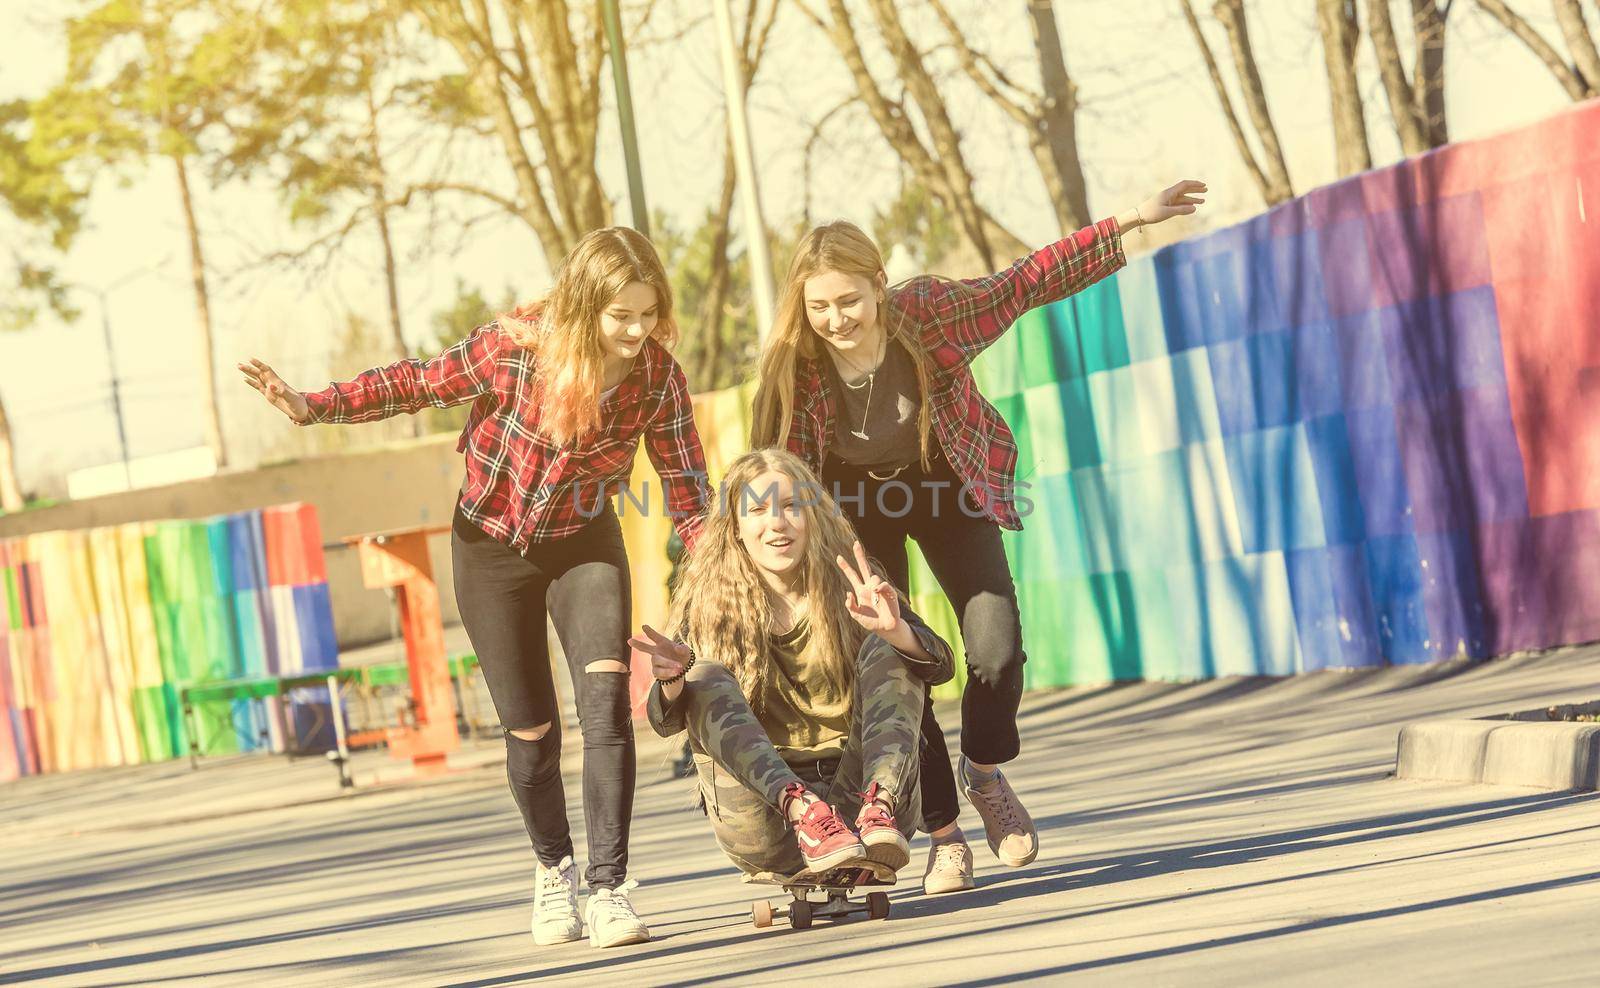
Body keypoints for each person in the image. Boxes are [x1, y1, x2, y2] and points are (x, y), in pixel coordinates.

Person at [239, 227, 710, 949]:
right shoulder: (513, 351)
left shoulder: (658, 379)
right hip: (490, 550)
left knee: (606, 706)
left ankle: (610, 887)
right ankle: (555, 869)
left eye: (648, 314)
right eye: (622, 316)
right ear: (586, 306)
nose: (637, 330)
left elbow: (688, 491)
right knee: (532, 733)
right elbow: (418, 383)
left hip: (584, 543)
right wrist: (315, 406)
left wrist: (726, 571)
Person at [749, 182, 1207, 893]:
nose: (836, 320)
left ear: (878, 286)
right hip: (852, 509)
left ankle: (985, 772)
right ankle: (943, 833)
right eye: (819, 307)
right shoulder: (793, 366)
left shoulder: (927, 312)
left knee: (995, 650)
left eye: (849, 301)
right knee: (899, 659)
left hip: (942, 479)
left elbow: (1022, 284)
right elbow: (772, 467)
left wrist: (1130, 222)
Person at [635, 448, 953, 880]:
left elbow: (940, 665)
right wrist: (674, 680)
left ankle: (879, 808)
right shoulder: (709, 604)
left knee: (889, 648)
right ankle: (805, 811)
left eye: (790, 507)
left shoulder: (853, 585)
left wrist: (896, 632)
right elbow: (664, 720)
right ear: (736, 529)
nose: (777, 523)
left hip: (863, 809)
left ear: (812, 517)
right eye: (759, 510)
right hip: (770, 818)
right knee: (703, 674)